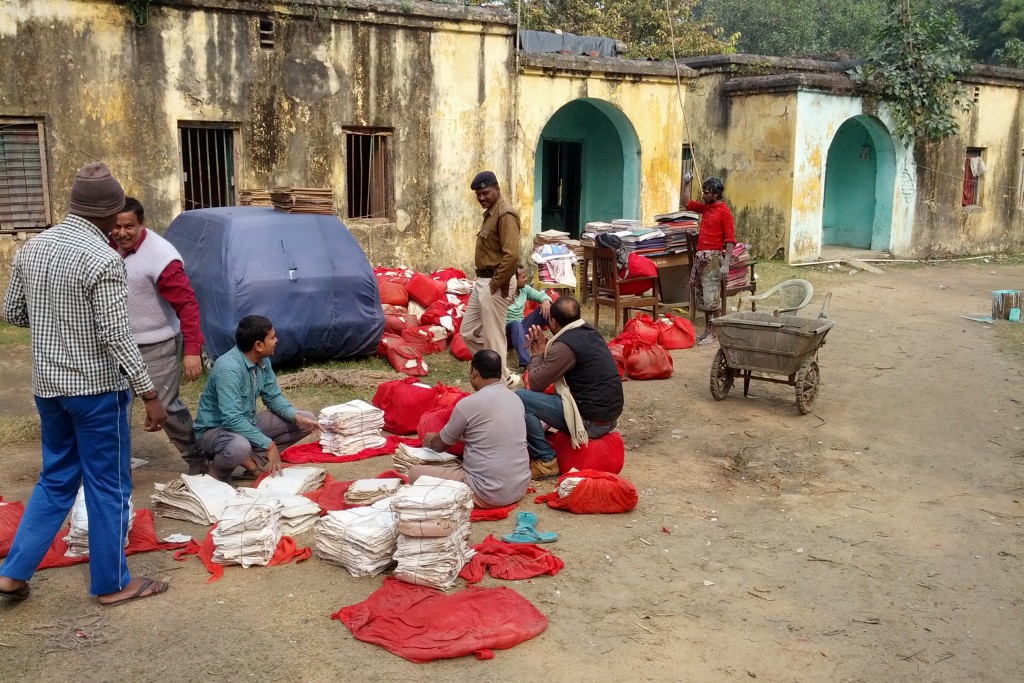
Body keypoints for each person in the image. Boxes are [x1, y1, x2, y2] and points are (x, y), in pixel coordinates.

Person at [0, 162, 170, 606]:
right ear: (112, 213)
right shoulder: (103, 259)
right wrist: (149, 393)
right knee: (108, 485)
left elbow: (13, 313)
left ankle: (13, 573)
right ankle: (113, 583)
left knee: (55, 479)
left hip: (49, 389)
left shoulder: (33, 249)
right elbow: (117, 336)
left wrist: (56, 324)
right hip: (96, 393)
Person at [110, 197, 207, 475]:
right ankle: (116, 468)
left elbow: (187, 304)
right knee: (114, 407)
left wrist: (191, 351)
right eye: (116, 227)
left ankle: (197, 460)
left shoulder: (162, 257)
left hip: (156, 344)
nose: (122, 233)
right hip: (115, 345)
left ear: (142, 224)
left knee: (165, 407)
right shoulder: (106, 247)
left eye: (129, 226)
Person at [192, 315, 319, 482]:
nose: (276, 340)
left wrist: (297, 417)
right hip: (214, 432)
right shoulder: (228, 369)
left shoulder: (263, 360)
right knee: (239, 446)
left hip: (245, 423)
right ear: (258, 345)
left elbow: (273, 398)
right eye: (272, 337)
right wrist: (269, 444)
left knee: (305, 420)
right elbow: (231, 419)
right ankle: (215, 475)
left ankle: (252, 464)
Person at [515, 296, 623, 479]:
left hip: (590, 422)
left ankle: (546, 459)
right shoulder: (590, 332)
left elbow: (534, 384)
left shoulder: (564, 345)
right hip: (610, 416)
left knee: (521, 398)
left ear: (553, 321)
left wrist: (537, 355)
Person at [412, 350, 530, 508]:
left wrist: (429, 441)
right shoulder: (516, 399)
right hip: (519, 487)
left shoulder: (468, 404)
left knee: (414, 473)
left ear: (474, 372)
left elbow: (439, 446)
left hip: (487, 493)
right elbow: (489, 437)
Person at [460, 170, 521, 384]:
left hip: (497, 282)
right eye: (478, 195)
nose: (481, 198)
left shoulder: (505, 215)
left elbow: (512, 255)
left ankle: (500, 385)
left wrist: (495, 285)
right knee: (467, 331)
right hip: (483, 281)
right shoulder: (491, 214)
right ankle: (498, 371)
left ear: (497, 189)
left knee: (494, 338)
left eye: (485, 192)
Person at [682, 172, 735, 345]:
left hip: (713, 258)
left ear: (716, 194)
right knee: (703, 297)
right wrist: (686, 182)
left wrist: (725, 265)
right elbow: (686, 202)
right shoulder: (706, 208)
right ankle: (707, 330)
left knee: (712, 298)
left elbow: (730, 241)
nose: (703, 195)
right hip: (700, 258)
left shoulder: (724, 212)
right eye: (703, 192)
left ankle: (713, 332)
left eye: (706, 193)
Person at [505, 264, 552, 370]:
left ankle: (562, 343)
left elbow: (541, 295)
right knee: (516, 324)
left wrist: (545, 301)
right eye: (523, 277)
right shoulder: (502, 294)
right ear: (513, 280)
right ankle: (527, 364)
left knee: (545, 309)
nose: (526, 279)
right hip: (506, 333)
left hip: (521, 329)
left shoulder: (524, 289)